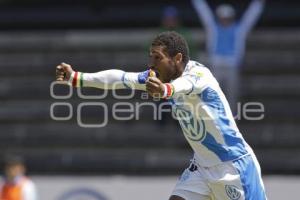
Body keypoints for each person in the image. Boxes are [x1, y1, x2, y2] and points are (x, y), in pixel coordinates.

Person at [55, 31, 267, 200]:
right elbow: (119, 78)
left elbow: (184, 86)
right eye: (150, 57)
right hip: (202, 167)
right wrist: (76, 78)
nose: (151, 64)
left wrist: (164, 91)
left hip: (235, 168)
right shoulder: (157, 77)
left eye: (157, 58)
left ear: (177, 58)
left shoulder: (200, 75)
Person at [191, 0, 265, 113]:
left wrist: (258, 4)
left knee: (232, 97)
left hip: (232, 68)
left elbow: (251, 17)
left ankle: (231, 122)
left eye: (227, 17)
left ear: (231, 17)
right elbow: (204, 13)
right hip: (216, 67)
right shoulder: (214, 28)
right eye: (223, 17)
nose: (225, 20)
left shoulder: (239, 30)